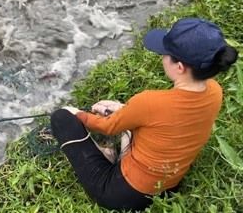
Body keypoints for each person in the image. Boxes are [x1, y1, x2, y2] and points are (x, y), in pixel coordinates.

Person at [50, 18, 238, 211]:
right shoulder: (215, 91)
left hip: (123, 194)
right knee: (132, 128)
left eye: (165, 54)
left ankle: (106, 155)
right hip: (169, 185)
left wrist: (77, 113)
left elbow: (107, 126)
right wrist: (126, 110)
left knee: (61, 117)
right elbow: (168, 118)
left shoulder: (148, 102)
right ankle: (115, 152)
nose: (162, 57)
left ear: (179, 67)